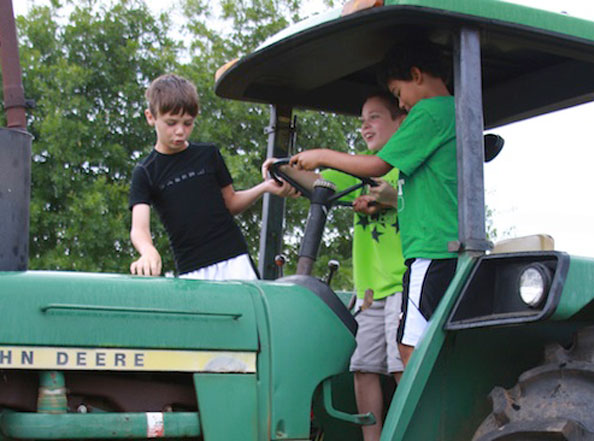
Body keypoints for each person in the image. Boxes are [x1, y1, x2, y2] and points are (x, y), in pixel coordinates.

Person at [289, 39, 458, 367]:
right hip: (439, 247)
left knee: (409, 347)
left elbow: (376, 165)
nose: (403, 105)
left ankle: (425, 418)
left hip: (431, 248)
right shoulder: (453, 113)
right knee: (413, 344)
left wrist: (322, 155)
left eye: (398, 94)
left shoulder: (429, 112)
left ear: (416, 75)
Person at [263, 92, 407, 441]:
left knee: (401, 368)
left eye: (374, 117)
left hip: (404, 283)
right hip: (370, 291)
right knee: (362, 367)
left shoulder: (406, 166)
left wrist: (390, 199)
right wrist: (283, 171)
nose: (364, 126)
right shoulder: (359, 168)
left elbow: (412, 200)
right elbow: (320, 183)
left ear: (400, 121)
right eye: (361, 120)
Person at [129, 73, 295, 280]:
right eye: (171, 123)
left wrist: (265, 187)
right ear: (151, 117)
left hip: (235, 259)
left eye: (187, 123)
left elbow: (231, 203)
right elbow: (139, 229)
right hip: (192, 269)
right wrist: (147, 251)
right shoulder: (145, 171)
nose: (180, 131)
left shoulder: (208, 155)